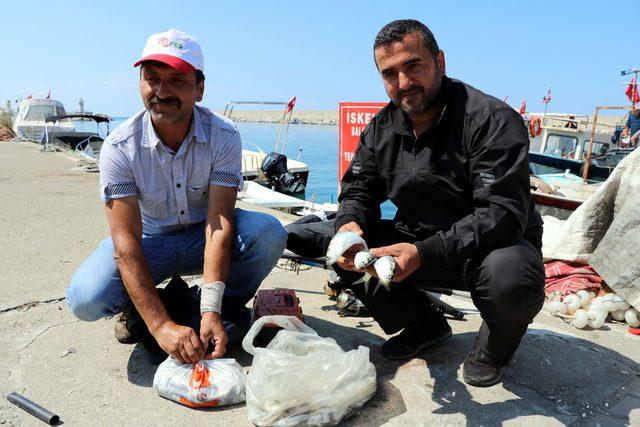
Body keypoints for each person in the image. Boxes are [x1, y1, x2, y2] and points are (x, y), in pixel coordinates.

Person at [287, 19, 545, 387]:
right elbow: (358, 188)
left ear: (439, 60)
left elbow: (502, 213)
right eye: (390, 73)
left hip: (485, 250)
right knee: (335, 245)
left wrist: (423, 251)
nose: (403, 83)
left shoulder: (491, 120)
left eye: (413, 66)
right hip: (417, 242)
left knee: (512, 277)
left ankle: (493, 348)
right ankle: (423, 325)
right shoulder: (382, 127)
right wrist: (349, 226)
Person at [65, 29, 287, 364]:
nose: (161, 91)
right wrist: (160, 326)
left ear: (200, 88)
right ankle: (141, 314)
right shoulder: (119, 147)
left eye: (177, 80)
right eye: (151, 79)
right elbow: (126, 246)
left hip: (202, 235)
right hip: (148, 242)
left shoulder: (223, 136)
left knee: (268, 233)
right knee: (86, 297)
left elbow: (219, 223)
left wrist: (210, 310)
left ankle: (215, 314)